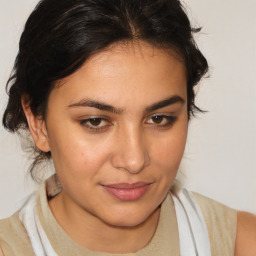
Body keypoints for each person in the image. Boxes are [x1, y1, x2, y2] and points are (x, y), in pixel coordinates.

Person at [0, 0, 255, 255]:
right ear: (38, 122)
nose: (134, 161)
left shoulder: (241, 244)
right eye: (96, 121)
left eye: (159, 119)